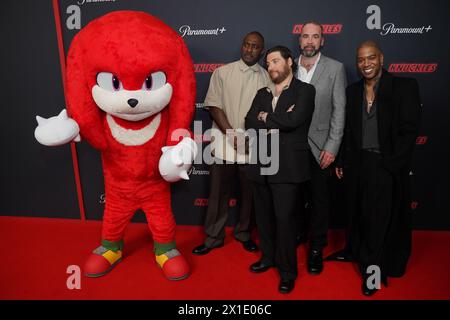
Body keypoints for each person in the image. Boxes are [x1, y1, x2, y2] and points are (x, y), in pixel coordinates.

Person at [332, 41, 421, 296]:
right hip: (358, 164)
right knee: (359, 212)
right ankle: (355, 251)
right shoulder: (352, 91)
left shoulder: (404, 87)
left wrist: (391, 164)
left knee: (379, 219)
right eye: (361, 60)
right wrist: (341, 161)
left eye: (371, 58)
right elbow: (348, 131)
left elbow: (409, 131)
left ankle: (373, 272)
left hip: (386, 164)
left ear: (381, 58)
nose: (366, 64)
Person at [192, 32, 271, 255]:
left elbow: (268, 113)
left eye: (255, 46)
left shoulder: (267, 78)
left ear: (262, 51)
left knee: (250, 195)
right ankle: (213, 237)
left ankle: (244, 233)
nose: (249, 49)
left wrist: (249, 138)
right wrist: (232, 135)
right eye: (246, 44)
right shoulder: (222, 72)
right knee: (218, 193)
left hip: (252, 146)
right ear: (242, 46)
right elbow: (214, 106)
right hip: (224, 142)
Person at [245, 46, 315, 293]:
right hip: (261, 163)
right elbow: (249, 121)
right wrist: (271, 118)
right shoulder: (262, 92)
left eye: (275, 61)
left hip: (287, 167)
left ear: (289, 62)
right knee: (263, 217)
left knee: (284, 220)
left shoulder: (304, 91)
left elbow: (294, 122)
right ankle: (268, 258)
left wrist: (265, 117)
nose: (271, 67)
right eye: (268, 63)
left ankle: (287, 271)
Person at [294, 21, 347, 275]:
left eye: (315, 37)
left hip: (319, 148)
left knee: (319, 201)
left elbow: (340, 110)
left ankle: (316, 247)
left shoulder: (335, 68)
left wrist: (332, 147)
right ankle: (297, 236)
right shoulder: (288, 65)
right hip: (290, 147)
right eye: (306, 36)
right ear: (299, 40)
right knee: (293, 199)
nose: (310, 41)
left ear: (322, 41)